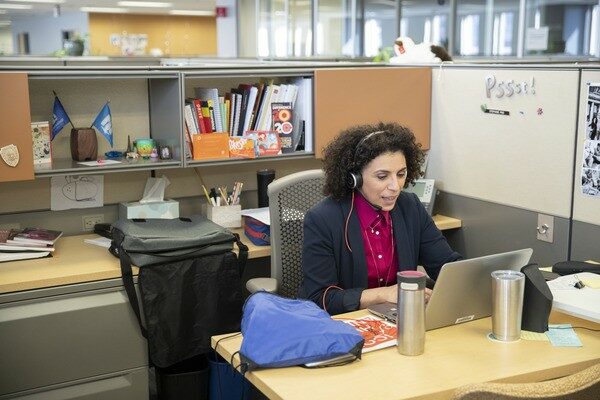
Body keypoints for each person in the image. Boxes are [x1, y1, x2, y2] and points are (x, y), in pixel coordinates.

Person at [298, 122, 461, 315]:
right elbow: (321, 298)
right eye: (382, 176)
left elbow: (445, 265)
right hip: (344, 325)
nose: (396, 186)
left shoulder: (411, 207)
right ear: (355, 178)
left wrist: (471, 279)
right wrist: (384, 294)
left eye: (401, 174)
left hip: (398, 318)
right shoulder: (323, 219)